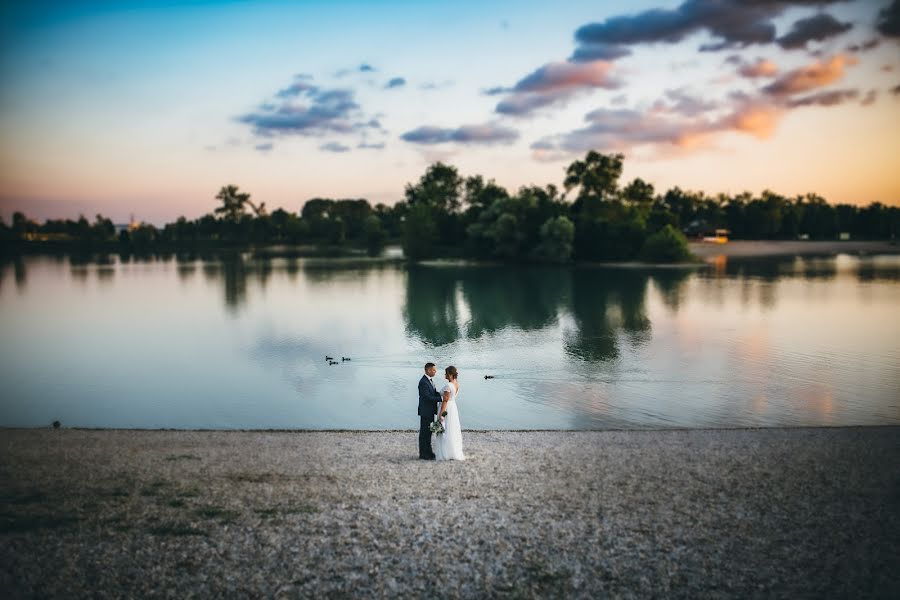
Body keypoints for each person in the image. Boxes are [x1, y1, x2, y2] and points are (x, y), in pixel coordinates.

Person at [435, 365, 465, 461]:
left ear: (451, 375)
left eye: (446, 374)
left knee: (445, 428)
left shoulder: (448, 386)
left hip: (447, 408)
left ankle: (446, 452)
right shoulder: (456, 384)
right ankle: (452, 451)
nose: (445, 375)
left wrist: (441, 414)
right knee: (451, 428)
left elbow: (445, 400)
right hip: (453, 408)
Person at [417, 362, 441, 460]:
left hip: (430, 411)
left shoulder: (430, 380)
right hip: (425, 411)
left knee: (429, 432)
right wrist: (441, 399)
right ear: (428, 370)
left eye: (435, 370)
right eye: (434, 370)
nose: (435, 372)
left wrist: (443, 394)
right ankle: (423, 454)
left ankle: (429, 452)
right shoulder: (423, 382)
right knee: (424, 433)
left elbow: (434, 393)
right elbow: (427, 397)